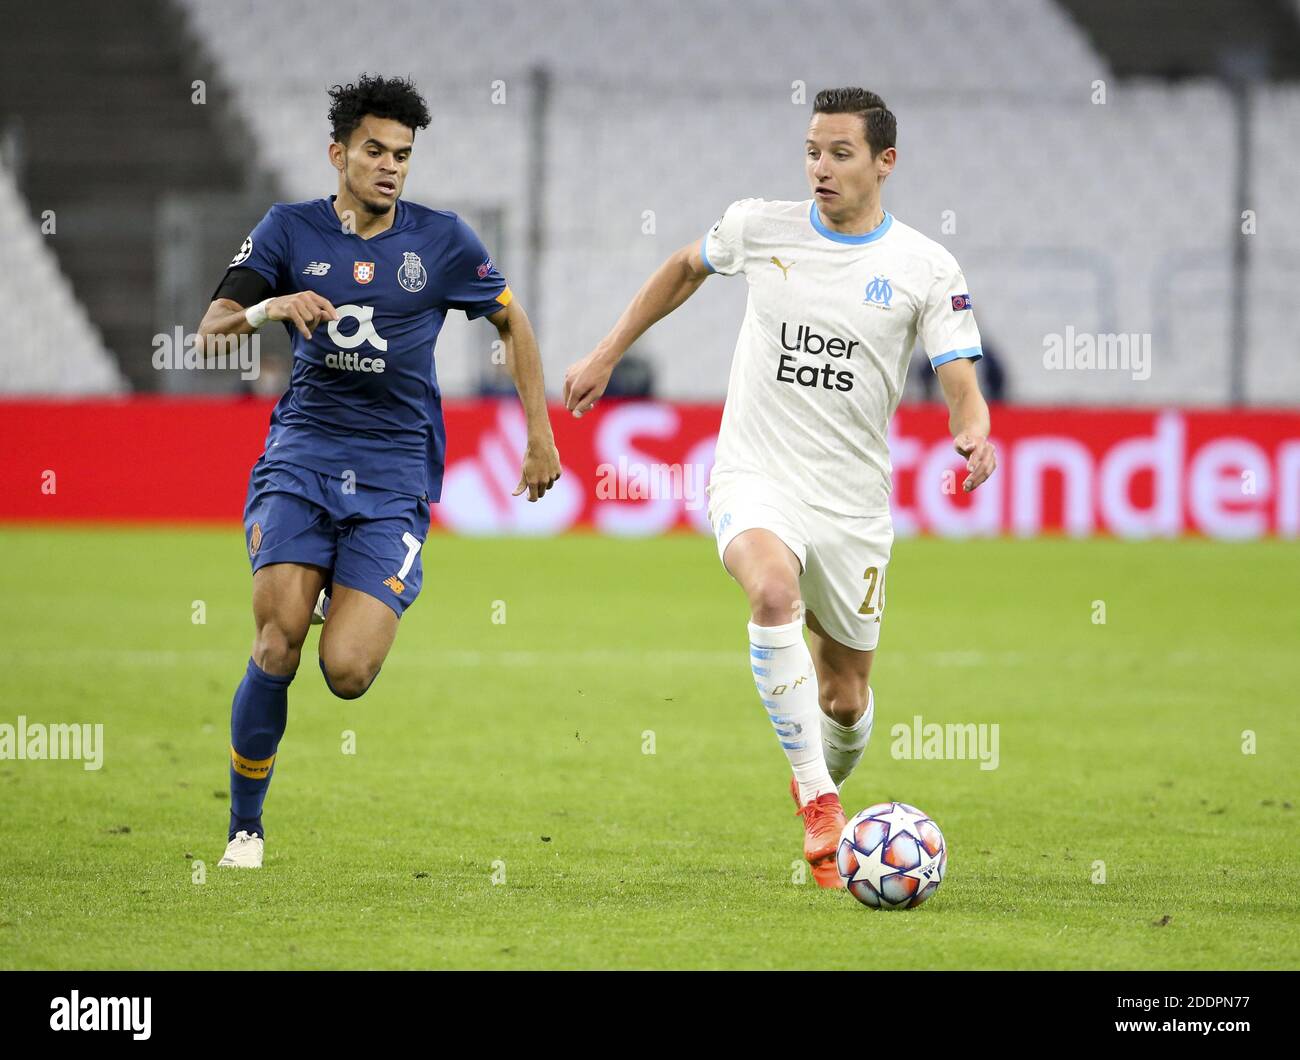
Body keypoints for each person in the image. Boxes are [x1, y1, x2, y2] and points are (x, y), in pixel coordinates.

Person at [563, 87, 996, 889]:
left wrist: (972, 426)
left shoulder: (925, 268)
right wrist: (606, 352)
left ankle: (826, 771)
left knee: (844, 695)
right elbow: (684, 266)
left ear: (884, 162)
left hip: (853, 505)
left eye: (839, 154)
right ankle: (819, 801)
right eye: (811, 151)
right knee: (770, 593)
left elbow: (958, 372)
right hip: (756, 476)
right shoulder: (762, 226)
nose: (819, 168)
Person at [196, 74, 562, 868]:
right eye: (374, 150)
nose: (390, 166)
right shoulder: (287, 230)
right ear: (338, 153)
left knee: (348, 672)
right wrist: (272, 307)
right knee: (276, 645)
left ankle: (346, 579)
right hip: (303, 459)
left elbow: (512, 317)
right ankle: (245, 828)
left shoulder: (443, 241)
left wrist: (540, 434)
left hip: (395, 478)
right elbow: (210, 333)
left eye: (402, 154)